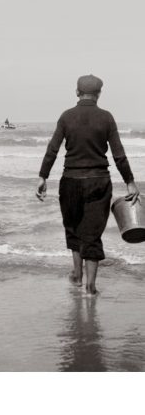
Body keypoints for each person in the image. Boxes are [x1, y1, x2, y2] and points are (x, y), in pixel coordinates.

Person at [36, 75, 140, 295]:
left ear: (77, 92)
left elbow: (52, 149)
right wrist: (130, 182)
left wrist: (42, 177)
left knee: (73, 229)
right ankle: (90, 286)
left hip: (70, 181)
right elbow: (118, 154)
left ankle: (77, 275)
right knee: (92, 233)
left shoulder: (66, 116)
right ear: (99, 93)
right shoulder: (106, 118)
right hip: (98, 181)